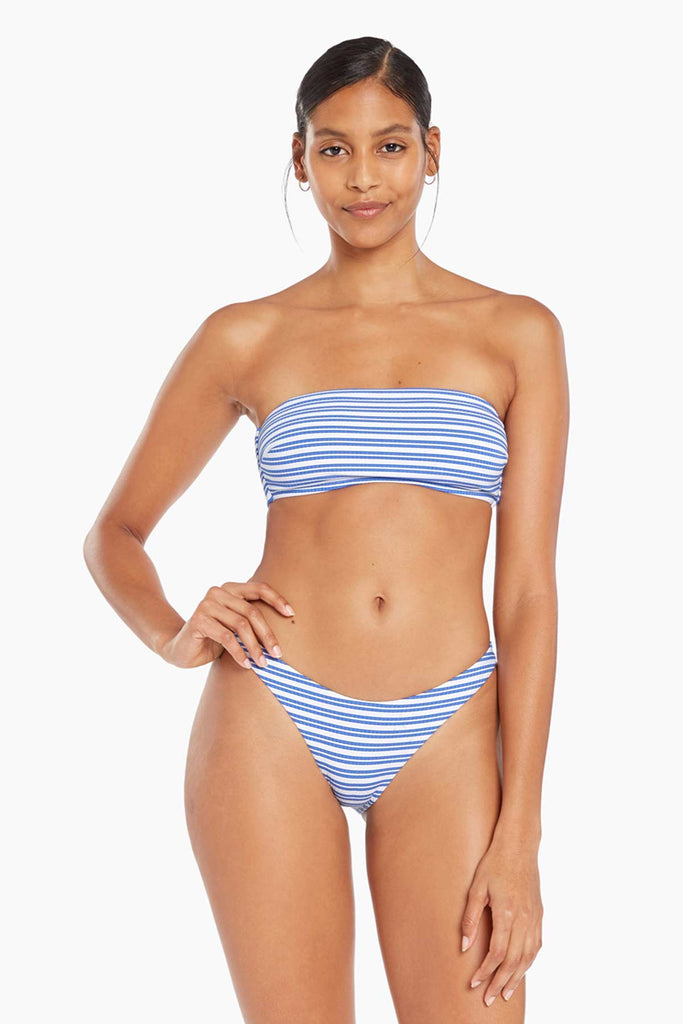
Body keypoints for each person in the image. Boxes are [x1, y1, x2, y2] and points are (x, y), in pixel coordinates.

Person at [84, 35, 569, 1024]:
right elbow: (116, 533)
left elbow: (525, 591)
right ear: (299, 159)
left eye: (389, 146)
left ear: (431, 150)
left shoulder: (515, 332)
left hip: (448, 723)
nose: (362, 178)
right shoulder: (247, 334)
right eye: (333, 148)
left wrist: (519, 832)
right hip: (273, 709)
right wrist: (174, 634)